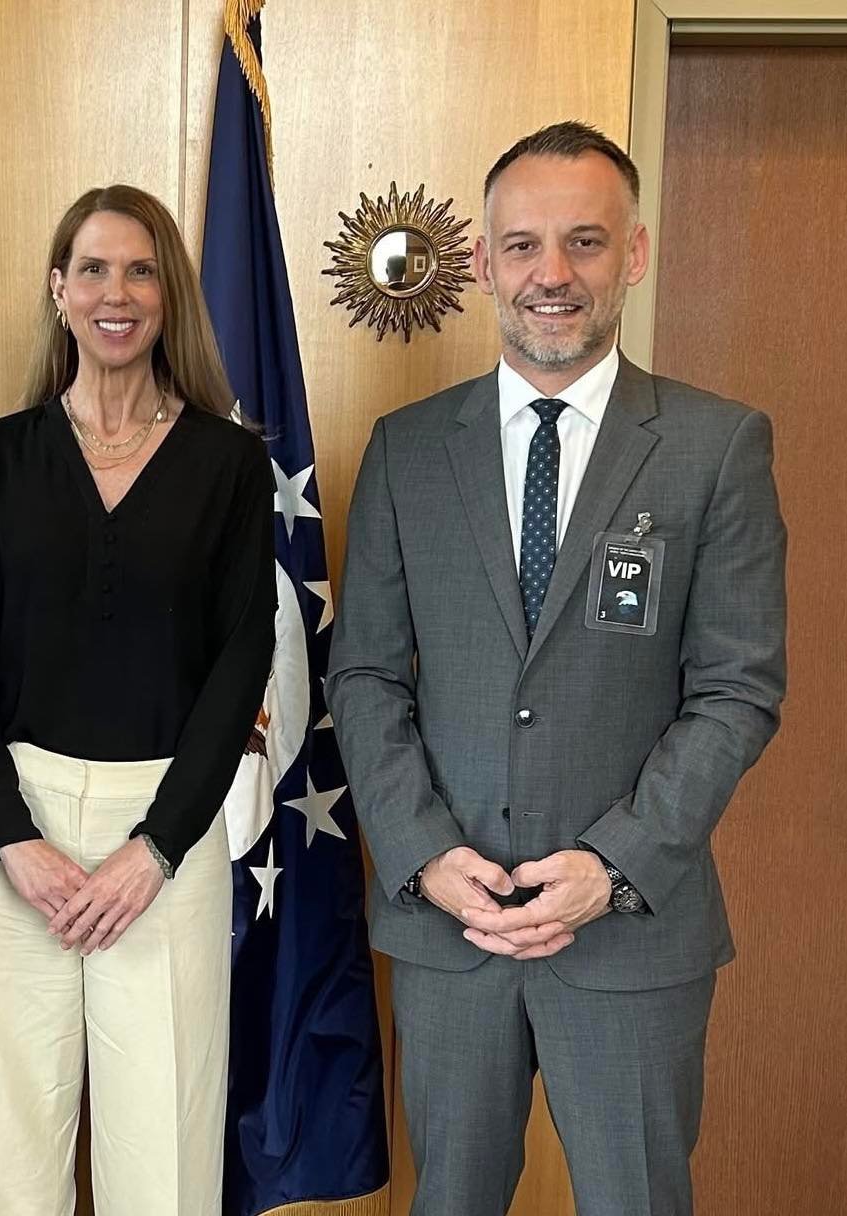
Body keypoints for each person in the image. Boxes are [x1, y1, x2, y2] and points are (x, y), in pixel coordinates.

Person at [327, 121, 786, 1216]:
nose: (553, 274)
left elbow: (736, 690)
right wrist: (425, 855)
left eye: (585, 241)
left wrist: (612, 865)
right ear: (483, 263)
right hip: (451, 929)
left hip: (632, 933)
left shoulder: (715, 446)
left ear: (634, 254)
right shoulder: (406, 447)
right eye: (523, 245)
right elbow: (365, 678)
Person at [0, 183, 274, 1216]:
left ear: (169, 295)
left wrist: (155, 848)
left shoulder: (228, 461)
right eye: (92, 269)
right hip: (19, 829)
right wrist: (10, 838)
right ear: (58, 288)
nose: (114, 293)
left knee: (163, 1159)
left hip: (168, 830)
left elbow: (241, 664)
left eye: (139, 271)